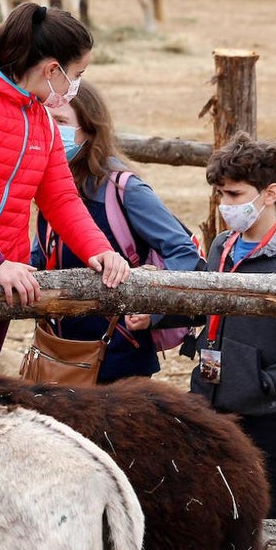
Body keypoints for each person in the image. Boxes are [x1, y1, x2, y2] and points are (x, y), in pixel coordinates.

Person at [0, 2, 130, 371]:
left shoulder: (42, 120)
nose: (76, 86)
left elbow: (61, 198)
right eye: (77, 74)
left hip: (0, 285)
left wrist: (99, 249)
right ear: (52, 69)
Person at [31, 80, 204, 382]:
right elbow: (42, 256)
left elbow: (182, 250)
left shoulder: (124, 189)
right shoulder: (52, 186)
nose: (51, 130)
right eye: (45, 120)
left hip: (120, 360)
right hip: (62, 354)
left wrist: (153, 308)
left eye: (60, 121)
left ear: (89, 130)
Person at [190, 132, 276, 518]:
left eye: (235, 195)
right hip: (213, 402)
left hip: (267, 415)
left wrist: (266, 383)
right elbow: (207, 305)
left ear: (270, 193)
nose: (226, 205)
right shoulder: (221, 245)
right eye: (220, 194)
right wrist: (155, 316)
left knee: (268, 511)